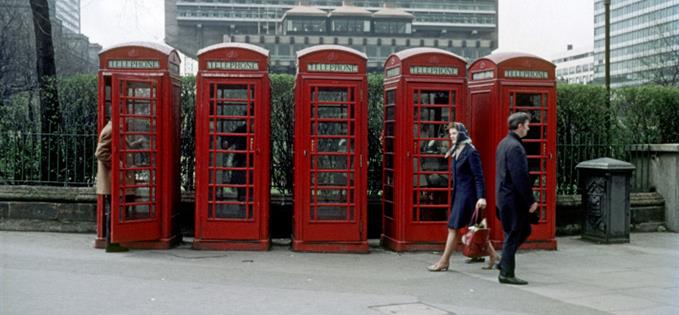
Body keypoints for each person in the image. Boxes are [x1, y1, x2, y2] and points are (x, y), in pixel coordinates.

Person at [427, 122, 498, 271]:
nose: (452, 136)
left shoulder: (470, 151)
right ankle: (494, 256)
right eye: (451, 134)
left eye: (455, 133)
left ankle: (444, 261)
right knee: (475, 228)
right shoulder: (456, 150)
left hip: (468, 196)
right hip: (458, 193)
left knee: (453, 228)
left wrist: (481, 197)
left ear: (462, 134)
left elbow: (479, 177)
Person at [495, 112, 538, 285]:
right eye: (527, 125)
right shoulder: (515, 147)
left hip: (503, 196)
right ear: (520, 125)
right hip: (512, 198)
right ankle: (506, 273)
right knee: (514, 233)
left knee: (523, 230)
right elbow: (520, 177)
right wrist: (530, 201)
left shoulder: (504, 143)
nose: (528, 128)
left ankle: (504, 261)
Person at [95, 120, 129, 253]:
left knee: (114, 210)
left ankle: (113, 241)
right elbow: (99, 152)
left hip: (113, 178)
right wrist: (116, 163)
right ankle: (111, 243)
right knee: (113, 210)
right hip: (111, 178)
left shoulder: (114, 129)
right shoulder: (110, 130)